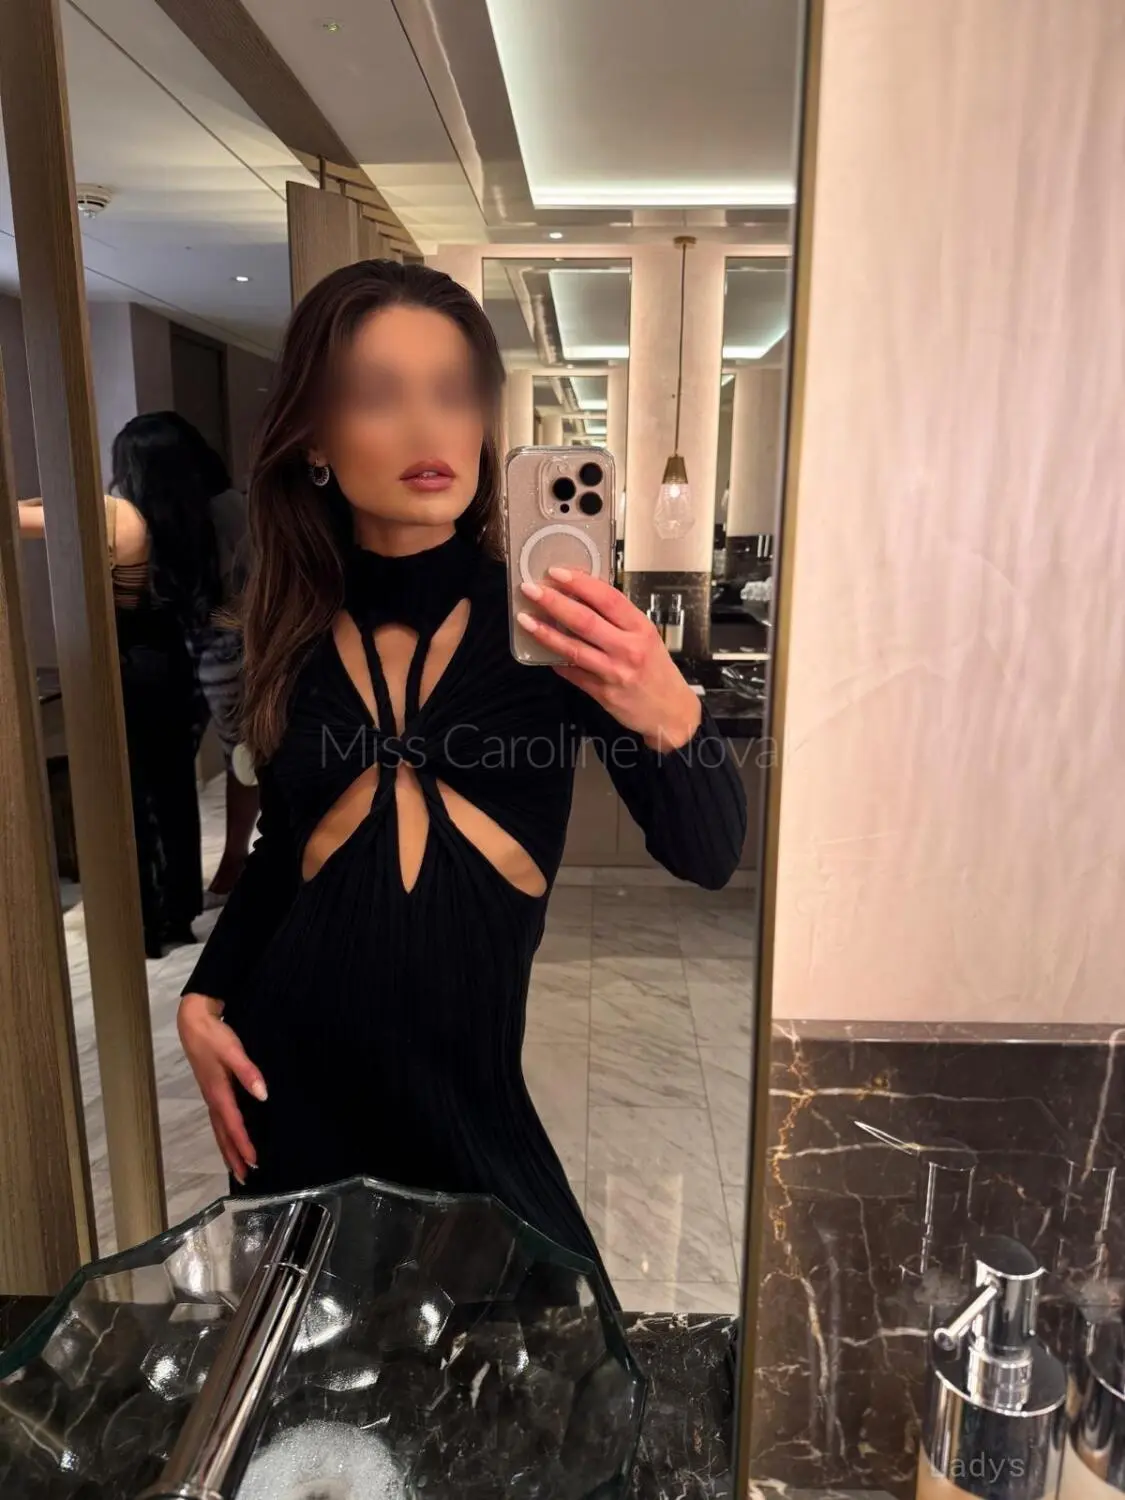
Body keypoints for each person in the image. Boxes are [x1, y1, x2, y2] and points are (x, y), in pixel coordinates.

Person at [177, 260, 748, 1290]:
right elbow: (286, 846)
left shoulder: (548, 628)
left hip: (469, 1113)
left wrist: (669, 706)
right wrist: (204, 994)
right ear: (314, 438)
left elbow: (708, 854)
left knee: (550, 1338)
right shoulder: (293, 629)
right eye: (377, 394)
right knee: (315, 1374)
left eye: (452, 393)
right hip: (290, 1093)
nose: (425, 427)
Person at [110, 413, 259, 904]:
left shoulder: (218, 509)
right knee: (202, 759)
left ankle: (234, 859)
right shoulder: (159, 512)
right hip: (194, 643)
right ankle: (224, 864)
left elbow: (247, 585)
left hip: (218, 639)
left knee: (239, 754)